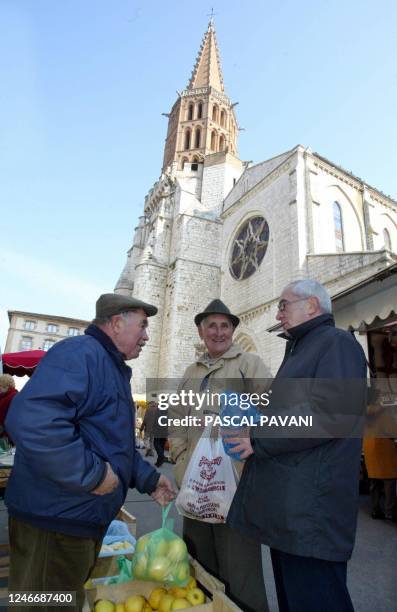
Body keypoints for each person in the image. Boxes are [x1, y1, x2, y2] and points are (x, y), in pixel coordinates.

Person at [5, 293, 175, 610]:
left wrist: (149, 479)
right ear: (115, 323)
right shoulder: (80, 353)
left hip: (72, 519)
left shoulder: (108, 364)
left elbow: (111, 443)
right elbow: (31, 422)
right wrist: (93, 474)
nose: (147, 336)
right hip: (53, 523)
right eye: (142, 326)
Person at [227, 279, 367, 612]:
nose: (278, 312)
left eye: (283, 304)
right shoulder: (301, 348)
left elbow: (332, 412)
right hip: (290, 513)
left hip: (310, 516)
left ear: (312, 305)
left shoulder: (336, 343)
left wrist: (257, 436)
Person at [169, 299, 271, 612]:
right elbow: (175, 417)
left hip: (236, 486)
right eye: (211, 325)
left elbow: (271, 411)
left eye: (224, 325)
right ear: (201, 331)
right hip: (194, 486)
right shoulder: (190, 372)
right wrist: (179, 454)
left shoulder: (249, 364)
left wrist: (227, 422)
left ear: (232, 331)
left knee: (240, 572)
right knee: (200, 565)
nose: (218, 332)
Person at [0, 373, 17, 443]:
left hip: (8, 433)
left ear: (6, 385)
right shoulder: (3, 396)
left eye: (0, 385)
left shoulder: (13, 396)